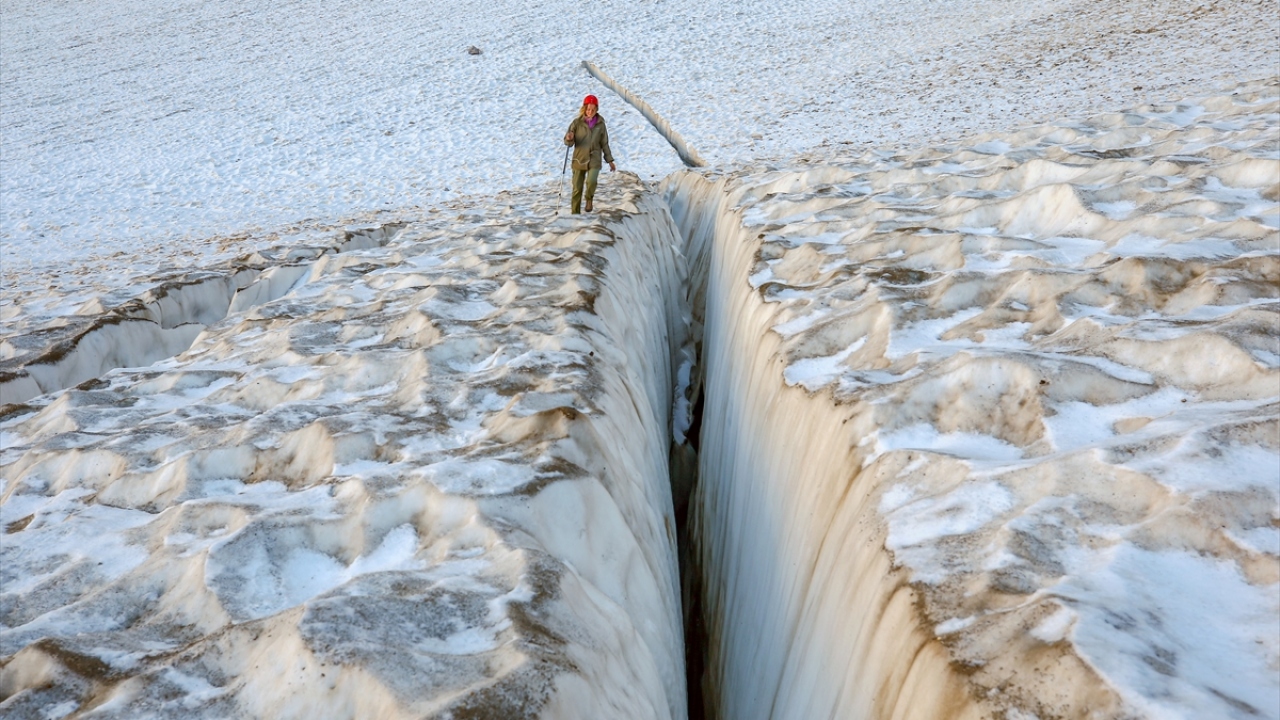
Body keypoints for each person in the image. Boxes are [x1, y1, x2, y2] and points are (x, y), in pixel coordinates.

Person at [563, 94, 616, 214]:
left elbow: (604, 143)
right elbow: (568, 142)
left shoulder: (600, 124)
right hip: (579, 159)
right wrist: (569, 138)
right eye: (588, 109)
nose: (590, 112)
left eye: (593, 109)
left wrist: (610, 161)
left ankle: (589, 199)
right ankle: (575, 213)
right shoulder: (576, 123)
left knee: (591, 181)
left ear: (596, 109)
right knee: (577, 188)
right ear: (584, 109)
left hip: (594, 159)